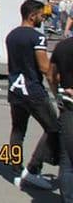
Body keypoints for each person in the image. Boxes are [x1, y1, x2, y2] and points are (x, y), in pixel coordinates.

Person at [6, 0, 58, 190]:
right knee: (54, 127)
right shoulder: (37, 38)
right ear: (31, 15)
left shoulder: (11, 36)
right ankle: (33, 169)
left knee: (18, 130)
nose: (42, 19)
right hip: (34, 91)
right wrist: (56, 81)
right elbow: (44, 67)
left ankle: (16, 169)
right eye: (41, 16)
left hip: (15, 89)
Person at [51, 30, 73, 202]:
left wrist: (56, 94)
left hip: (68, 106)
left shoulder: (62, 47)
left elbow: (52, 76)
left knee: (67, 162)